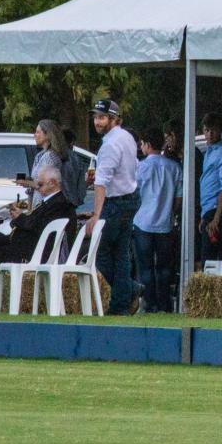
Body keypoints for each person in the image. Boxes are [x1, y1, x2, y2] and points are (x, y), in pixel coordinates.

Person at [84, 98, 141, 315]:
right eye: (96, 117)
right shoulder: (127, 137)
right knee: (122, 255)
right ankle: (122, 303)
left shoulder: (109, 145)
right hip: (132, 197)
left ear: (114, 119)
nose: (97, 122)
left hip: (116, 201)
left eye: (102, 118)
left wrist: (96, 214)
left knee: (101, 254)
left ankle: (129, 291)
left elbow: (101, 182)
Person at [0, 167, 77, 267]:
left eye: (40, 185)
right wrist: (19, 217)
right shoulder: (52, 201)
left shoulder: (60, 204)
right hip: (25, 246)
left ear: (52, 183)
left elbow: (40, 226)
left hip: (34, 252)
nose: (37, 188)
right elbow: (33, 221)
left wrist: (20, 217)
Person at [132, 127, 183, 313]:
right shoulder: (174, 167)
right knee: (164, 267)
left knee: (145, 266)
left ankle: (149, 302)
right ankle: (164, 304)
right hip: (165, 223)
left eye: (142, 143)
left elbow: (134, 195)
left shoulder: (140, 167)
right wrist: (170, 212)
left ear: (147, 144)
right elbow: (179, 199)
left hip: (142, 222)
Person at [198, 112, 222, 265]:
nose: (210, 134)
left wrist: (216, 219)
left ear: (220, 131)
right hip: (209, 210)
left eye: (213, 130)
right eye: (206, 130)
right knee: (208, 259)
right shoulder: (210, 151)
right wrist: (204, 215)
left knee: (211, 262)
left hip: (217, 211)